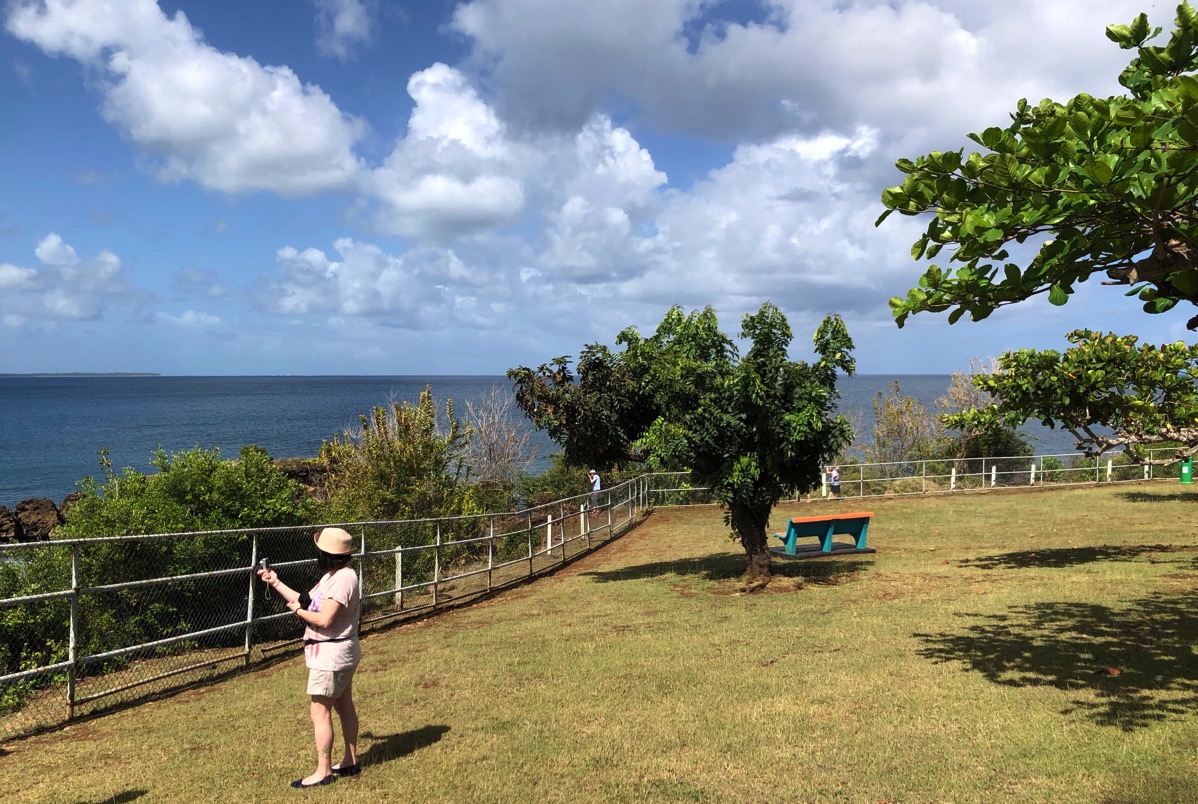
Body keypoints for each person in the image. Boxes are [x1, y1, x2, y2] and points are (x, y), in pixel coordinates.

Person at [259, 527, 362, 789]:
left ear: (326, 553)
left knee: (319, 710)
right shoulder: (334, 576)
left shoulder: (341, 580)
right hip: (339, 652)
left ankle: (323, 771)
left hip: (331, 655)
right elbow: (306, 601)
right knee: (343, 705)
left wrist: (298, 613)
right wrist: (276, 582)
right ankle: (350, 760)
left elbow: (324, 619)